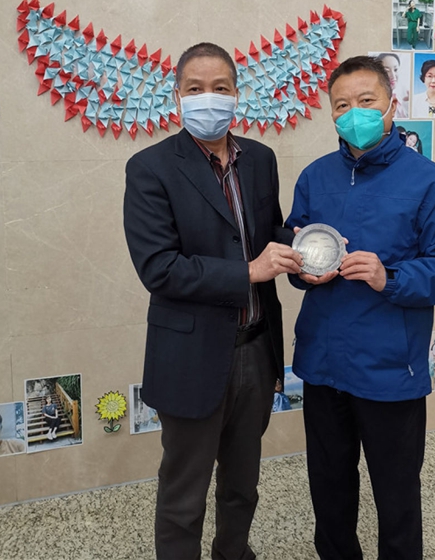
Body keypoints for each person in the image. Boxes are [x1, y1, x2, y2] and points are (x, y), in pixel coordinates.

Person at [285, 56, 435, 560]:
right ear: (331, 113)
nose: (354, 113)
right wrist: (302, 270)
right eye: (341, 105)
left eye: (366, 101)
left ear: (392, 104)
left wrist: (389, 277)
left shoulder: (430, 183)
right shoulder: (314, 177)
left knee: (396, 497)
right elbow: (296, 248)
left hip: (391, 370)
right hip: (323, 364)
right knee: (329, 491)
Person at [123, 42, 303, 560]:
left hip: (256, 349)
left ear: (236, 95)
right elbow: (159, 268)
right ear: (177, 96)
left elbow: (268, 236)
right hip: (190, 356)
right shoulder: (150, 167)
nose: (209, 98)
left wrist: (308, 248)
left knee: (243, 486)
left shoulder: (261, 159)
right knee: (184, 497)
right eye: (196, 88)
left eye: (220, 88)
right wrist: (248, 271)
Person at [376, 53, 409, 118]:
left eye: (395, 70)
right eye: (386, 71)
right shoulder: (375, 101)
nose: (393, 76)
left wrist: (408, 105)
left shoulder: (402, 98)